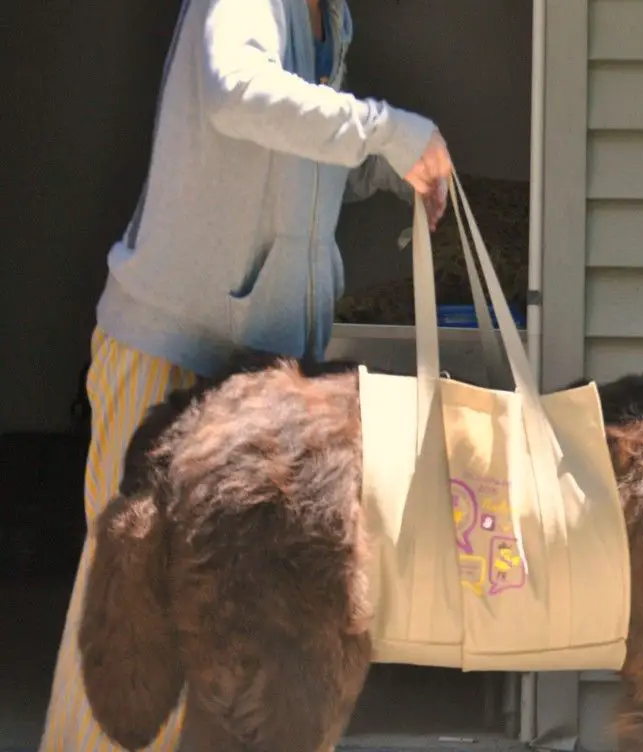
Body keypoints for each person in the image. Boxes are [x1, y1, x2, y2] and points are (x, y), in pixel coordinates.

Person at [40, 0, 452, 748]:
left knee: (239, 658)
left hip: (256, 386)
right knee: (131, 635)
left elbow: (285, 160)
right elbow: (238, 94)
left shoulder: (335, 21)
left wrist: (382, 167)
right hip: (167, 352)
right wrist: (390, 130)